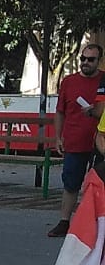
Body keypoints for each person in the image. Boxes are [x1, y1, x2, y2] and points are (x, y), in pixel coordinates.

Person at [49, 41, 105, 237]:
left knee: (96, 185)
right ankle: (64, 221)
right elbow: (60, 111)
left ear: (99, 61)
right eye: (83, 58)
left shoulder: (103, 81)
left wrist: (94, 111)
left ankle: (94, 225)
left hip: (99, 142)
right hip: (75, 140)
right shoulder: (69, 81)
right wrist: (58, 137)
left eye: (90, 59)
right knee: (71, 182)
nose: (85, 62)